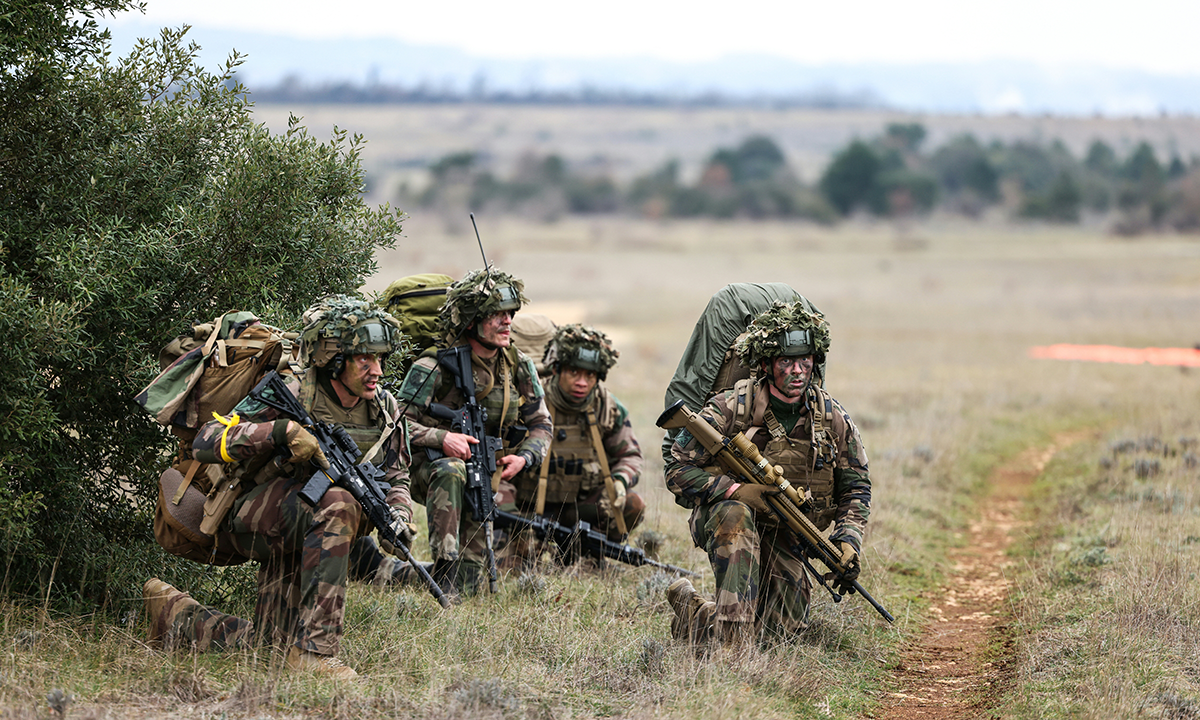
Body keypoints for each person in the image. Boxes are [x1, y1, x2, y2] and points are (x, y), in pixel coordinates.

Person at [143, 296, 416, 680]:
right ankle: (317, 653)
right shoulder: (294, 390)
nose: (377, 370)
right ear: (334, 358)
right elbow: (208, 440)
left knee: (270, 650)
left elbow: (396, 476)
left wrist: (399, 516)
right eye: (364, 359)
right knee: (338, 504)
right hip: (253, 517)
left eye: (381, 359)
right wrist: (280, 431)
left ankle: (176, 616)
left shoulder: (384, 408)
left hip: (309, 526)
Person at [663, 301, 871, 646]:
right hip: (725, 516)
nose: (797, 371)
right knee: (737, 516)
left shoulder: (832, 418)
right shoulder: (731, 407)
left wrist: (848, 540)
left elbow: (856, 487)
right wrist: (732, 491)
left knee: (782, 633)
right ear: (765, 364)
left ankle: (696, 613)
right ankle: (733, 651)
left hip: (786, 528)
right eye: (786, 361)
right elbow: (676, 470)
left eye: (805, 360)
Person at [397, 268, 552, 595]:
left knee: (468, 585)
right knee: (451, 471)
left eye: (510, 313)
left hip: (484, 472)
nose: (507, 321)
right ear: (471, 320)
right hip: (428, 470)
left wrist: (525, 457)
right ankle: (443, 563)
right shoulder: (434, 364)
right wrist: (442, 438)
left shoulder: (518, 365)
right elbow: (395, 422)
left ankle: (391, 572)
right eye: (496, 315)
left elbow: (542, 425)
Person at [510, 324, 644, 552]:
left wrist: (620, 481)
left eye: (590, 375)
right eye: (574, 372)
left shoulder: (607, 407)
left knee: (632, 505)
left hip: (579, 507)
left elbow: (630, 456)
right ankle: (520, 547)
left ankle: (587, 553)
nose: (582, 382)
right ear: (556, 370)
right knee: (516, 565)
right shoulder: (530, 399)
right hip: (527, 507)